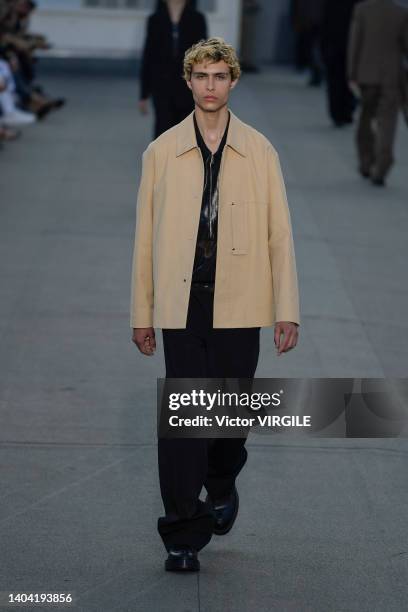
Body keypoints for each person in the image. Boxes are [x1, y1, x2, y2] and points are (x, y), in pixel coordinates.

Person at [130, 37, 300, 572]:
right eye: (200, 76)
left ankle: (222, 479)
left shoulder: (260, 151)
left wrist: (286, 309)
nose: (209, 85)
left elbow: (280, 235)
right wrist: (142, 314)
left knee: (228, 419)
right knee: (183, 425)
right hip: (180, 306)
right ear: (188, 82)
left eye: (219, 76)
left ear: (233, 81)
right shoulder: (160, 152)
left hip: (240, 303)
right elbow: (144, 241)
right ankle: (182, 534)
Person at [348, 0, 408, 186]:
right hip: (391, 74)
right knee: (387, 122)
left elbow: (354, 42)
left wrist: (351, 73)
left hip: (366, 74)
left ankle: (366, 162)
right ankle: (382, 164)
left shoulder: (362, 10)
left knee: (365, 119)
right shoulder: (401, 13)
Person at [139, 0, 207, 138]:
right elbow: (148, 57)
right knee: (163, 131)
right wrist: (143, 94)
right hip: (161, 86)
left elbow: (203, 58)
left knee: (187, 133)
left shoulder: (197, 19)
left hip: (188, 87)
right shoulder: (155, 20)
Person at [320, 0, 361, 127]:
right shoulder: (358, 4)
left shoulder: (331, 3)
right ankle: (346, 112)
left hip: (334, 46)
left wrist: (323, 48)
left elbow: (325, 24)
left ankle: (337, 113)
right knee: (348, 81)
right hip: (350, 47)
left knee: (335, 82)